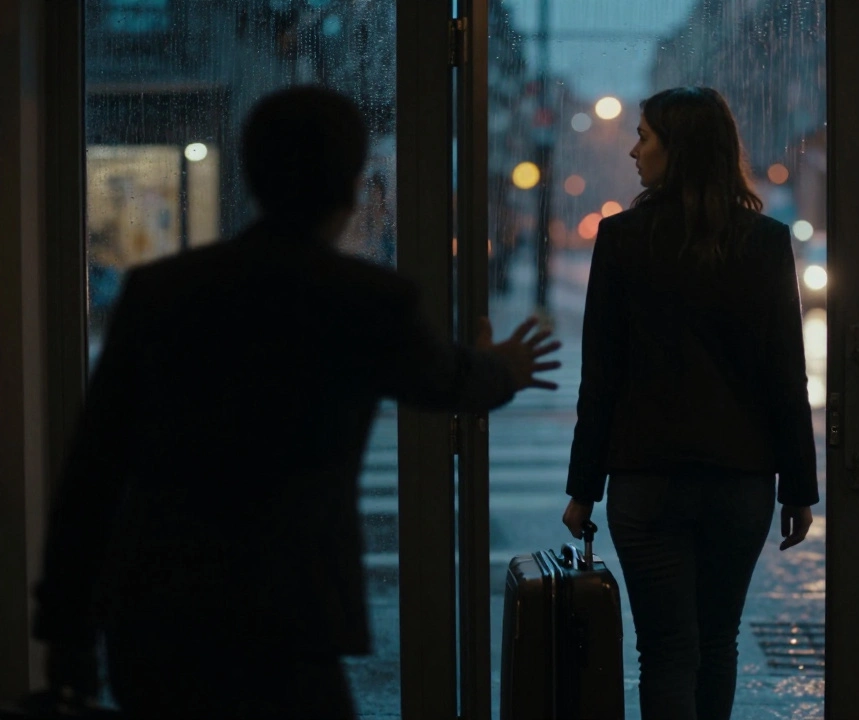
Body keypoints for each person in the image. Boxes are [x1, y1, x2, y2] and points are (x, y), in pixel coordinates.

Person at [32, 85, 560, 720]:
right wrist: (503, 366)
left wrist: (66, 632)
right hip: (289, 612)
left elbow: (94, 468)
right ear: (349, 185)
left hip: (157, 608)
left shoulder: (159, 292)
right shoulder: (364, 299)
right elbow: (447, 380)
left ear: (252, 175)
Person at [560, 86, 818, 720]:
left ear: (676, 150)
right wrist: (799, 489)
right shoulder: (764, 242)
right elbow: (787, 375)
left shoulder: (622, 240)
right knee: (717, 641)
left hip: (647, 481)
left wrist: (582, 488)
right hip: (740, 481)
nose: (632, 150)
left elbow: (602, 377)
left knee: (666, 651)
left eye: (644, 136)